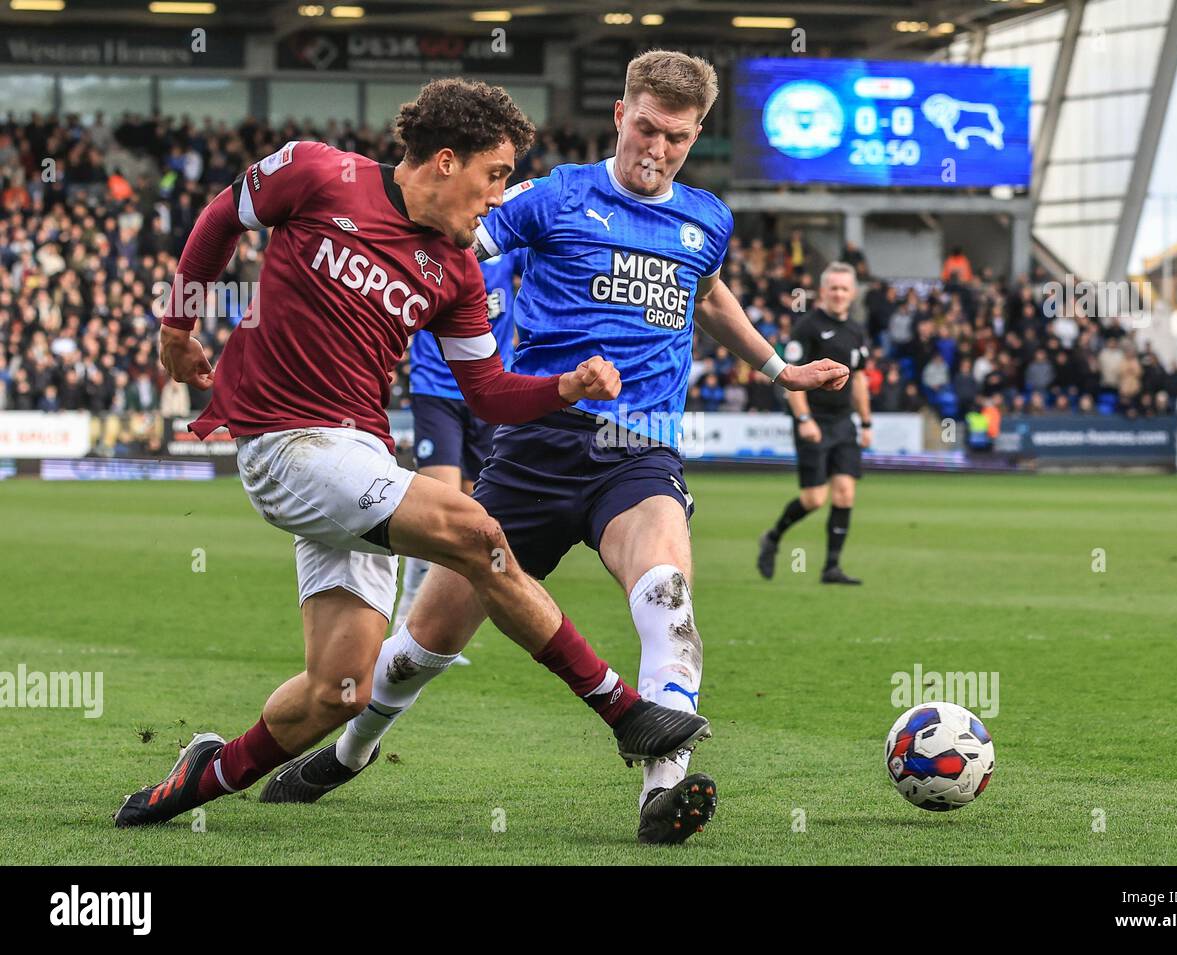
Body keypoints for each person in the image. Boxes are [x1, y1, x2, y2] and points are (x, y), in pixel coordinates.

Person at [264, 51, 849, 844]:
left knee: (668, 599)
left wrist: (780, 368)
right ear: (619, 114)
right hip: (533, 447)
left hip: (637, 450)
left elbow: (708, 293)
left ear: (696, 134)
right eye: (646, 127)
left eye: (677, 137)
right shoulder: (556, 195)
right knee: (420, 646)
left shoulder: (707, 218)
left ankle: (662, 789)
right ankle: (350, 750)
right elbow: (459, 241)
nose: (657, 148)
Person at [114, 78, 708, 829]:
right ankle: (624, 710)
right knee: (478, 533)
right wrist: (178, 326)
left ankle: (197, 780)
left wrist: (564, 386)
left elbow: (488, 391)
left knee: (339, 691)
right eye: (495, 176)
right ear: (446, 162)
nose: (499, 197)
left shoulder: (457, 274)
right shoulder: (317, 172)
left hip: (359, 451)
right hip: (285, 443)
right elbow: (219, 217)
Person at [394, 247, 527, 665]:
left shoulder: (508, 251)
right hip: (436, 389)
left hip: (488, 391)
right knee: (439, 510)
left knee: (473, 518)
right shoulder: (432, 249)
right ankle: (406, 623)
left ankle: (437, 632)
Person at [757, 262, 870, 585]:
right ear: (823, 291)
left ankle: (831, 567)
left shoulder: (856, 331)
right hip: (814, 419)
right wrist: (804, 418)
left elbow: (859, 380)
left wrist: (866, 421)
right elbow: (790, 377)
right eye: (833, 288)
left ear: (852, 294)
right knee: (814, 499)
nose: (838, 294)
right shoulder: (807, 326)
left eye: (844, 288)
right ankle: (773, 537)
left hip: (843, 420)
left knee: (845, 493)